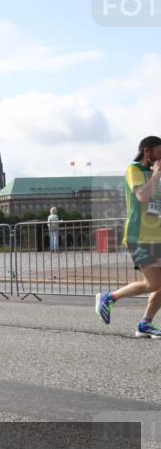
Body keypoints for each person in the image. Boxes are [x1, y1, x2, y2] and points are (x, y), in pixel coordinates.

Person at [96, 135, 161, 338]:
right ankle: (109, 297)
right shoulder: (133, 169)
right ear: (147, 151)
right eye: (160, 151)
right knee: (152, 284)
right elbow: (142, 196)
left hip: (157, 235)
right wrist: (157, 175)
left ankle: (145, 324)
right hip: (139, 235)